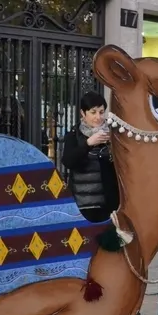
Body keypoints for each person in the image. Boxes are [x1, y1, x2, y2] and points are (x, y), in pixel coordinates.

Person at [61, 91, 120, 223]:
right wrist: (88, 144)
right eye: (93, 112)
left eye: (101, 112)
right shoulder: (74, 135)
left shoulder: (113, 134)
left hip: (108, 206)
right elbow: (68, 161)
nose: (98, 117)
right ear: (83, 113)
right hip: (83, 206)